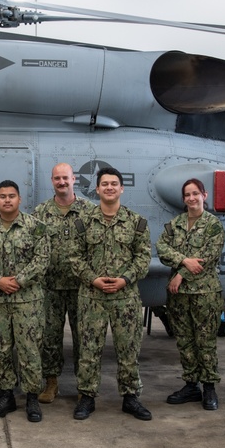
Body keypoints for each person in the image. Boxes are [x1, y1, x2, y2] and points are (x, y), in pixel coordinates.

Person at [69, 166, 152, 422]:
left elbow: (144, 257)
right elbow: (74, 257)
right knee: (89, 350)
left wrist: (125, 279)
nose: (109, 187)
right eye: (104, 184)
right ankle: (87, 397)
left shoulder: (137, 223)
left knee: (128, 349)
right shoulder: (82, 223)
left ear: (121, 188)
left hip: (125, 298)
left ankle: (130, 397)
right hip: (92, 298)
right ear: (97, 189)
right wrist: (93, 279)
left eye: (114, 183)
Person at [0, 180, 50, 422]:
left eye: (12, 196)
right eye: (3, 196)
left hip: (28, 301)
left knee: (30, 350)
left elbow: (42, 259)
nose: (7, 200)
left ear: (19, 199)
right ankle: (6, 395)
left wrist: (18, 280)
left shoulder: (35, 227)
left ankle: (32, 398)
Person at [156, 178, 225, 410]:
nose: (191, 198)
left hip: (204, 294)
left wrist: (180, 274)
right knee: (184, 342)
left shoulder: (213, 225)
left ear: (204, 195)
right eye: (187, 194)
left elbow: (208, 257)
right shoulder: (175, 224)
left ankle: (209, 387)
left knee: (205, 342)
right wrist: (184, 260)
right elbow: (162, 247)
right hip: (179, 296)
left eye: (196, 193)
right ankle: (190, 385)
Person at [32, 162, 89, 404]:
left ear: (74, 179)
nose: (62, 182)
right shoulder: (40, 213)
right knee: (49, 338)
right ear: (52, 181)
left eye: (65, 178)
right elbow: (32, 248)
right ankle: (51, 382)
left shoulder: (89, 212)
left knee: (83, 338)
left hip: (81, 288)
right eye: (57, 178)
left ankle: (83, 384)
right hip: (50, 288)